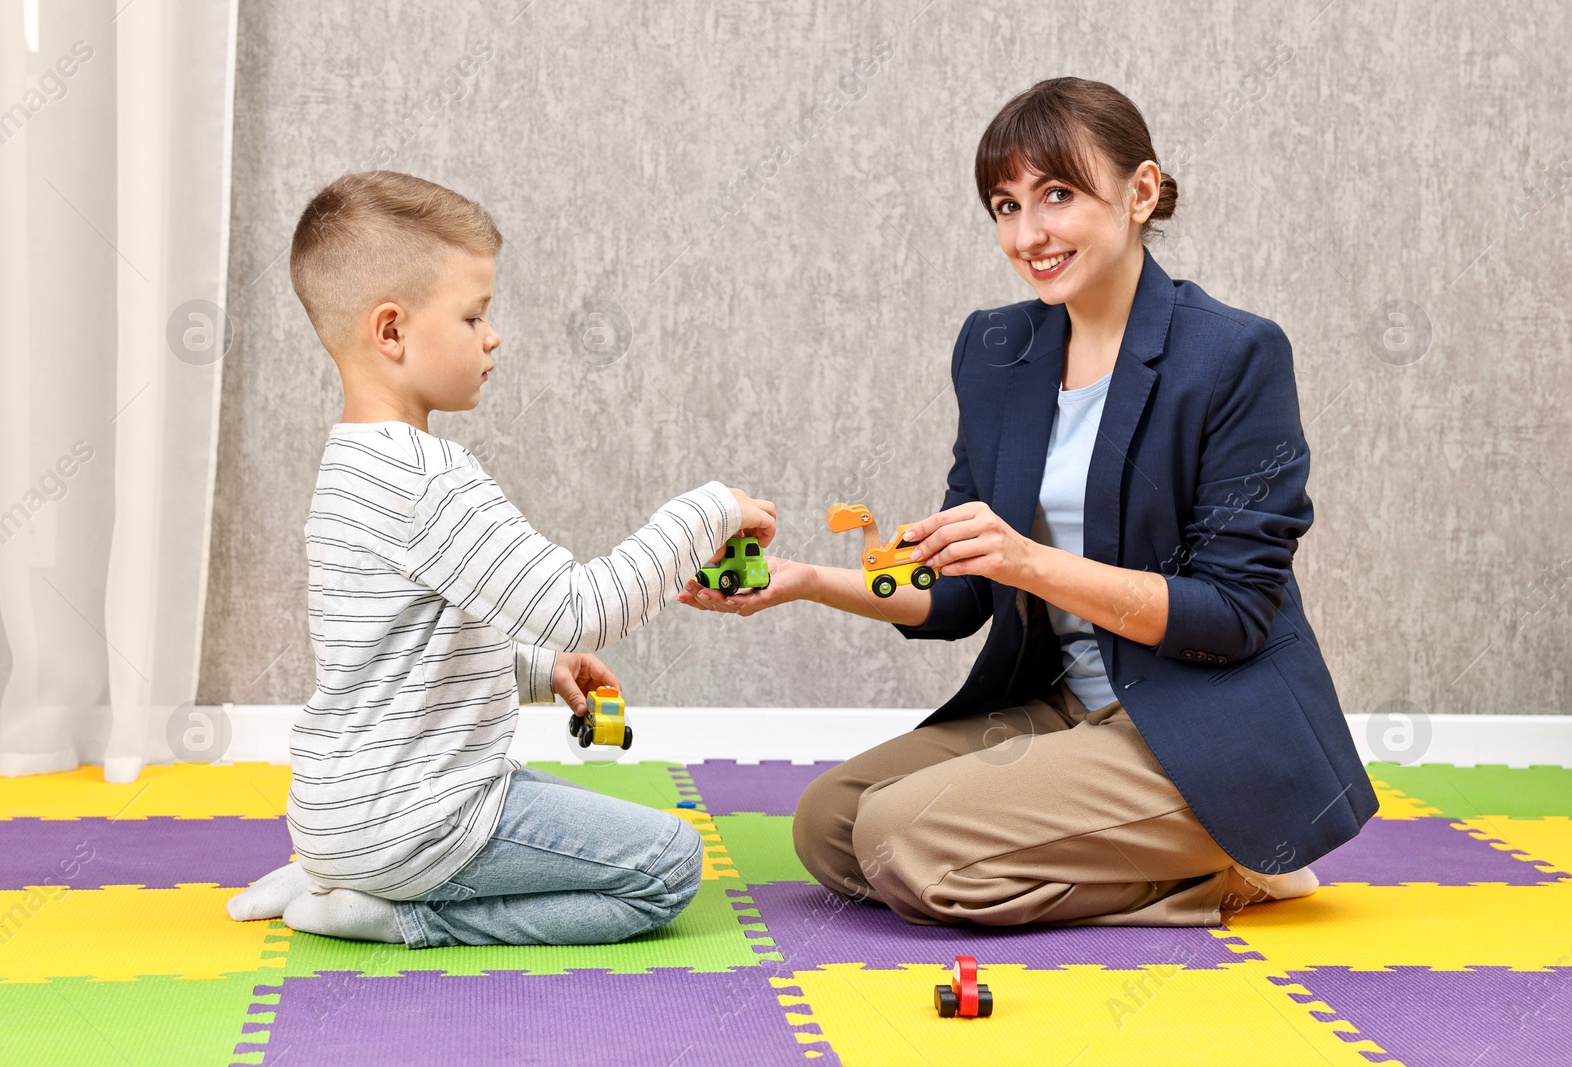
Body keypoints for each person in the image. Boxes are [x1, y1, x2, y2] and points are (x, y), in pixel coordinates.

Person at [679, 77, 1377, 928]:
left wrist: (1030, 559)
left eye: (1057, 195)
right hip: (1064, 706)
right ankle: (1144, 858)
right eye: (1005, 205)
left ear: (1140, 193)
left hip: (1198, 724)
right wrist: (804, 580)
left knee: (902, 840)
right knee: (830, 826)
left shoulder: (1234, 355)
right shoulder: (995, 349)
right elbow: (964, 592)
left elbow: (1232, 613)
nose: (1028, 233)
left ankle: (1226, 860)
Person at [223, 170, 776, 946]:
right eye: (474, 314)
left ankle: (336, 870)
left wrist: (534, 667)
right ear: (392, 332)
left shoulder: (348, 466)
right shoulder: (429, 479)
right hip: (419, 822)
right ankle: (398, 914)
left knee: (533, 800)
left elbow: (396, 649)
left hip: (337, 809)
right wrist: (709, 508)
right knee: (669, 865)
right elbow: (584, 606)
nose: (493, 335)